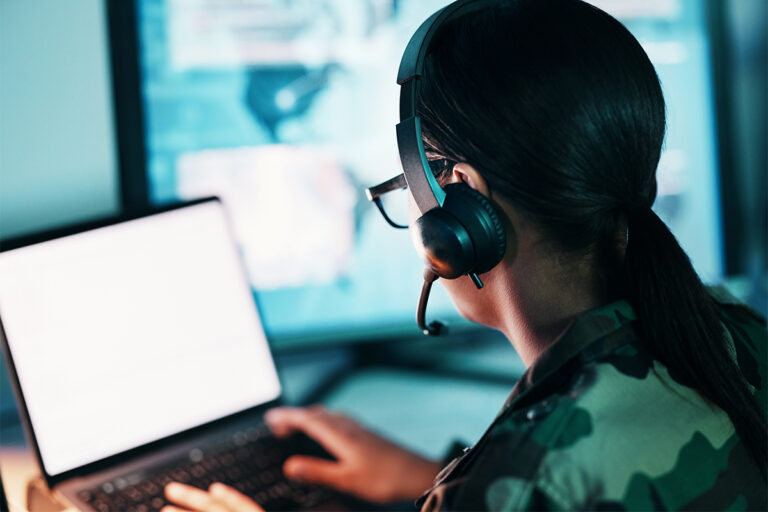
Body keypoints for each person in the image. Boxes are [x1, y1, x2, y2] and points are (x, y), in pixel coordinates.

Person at [162, 0, 768, 510]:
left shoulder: (527, 482)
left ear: (463, 213)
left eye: (408, 185)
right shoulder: (734, 332)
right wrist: (438, 477)